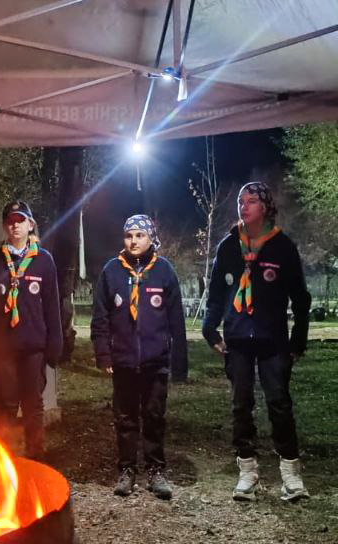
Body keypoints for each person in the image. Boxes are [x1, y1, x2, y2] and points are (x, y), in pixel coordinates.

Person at [203, 181, 311, 502]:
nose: (243, 206)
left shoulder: (283, 247)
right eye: (240, 201)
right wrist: (211, 331)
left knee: (279, 403)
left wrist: (298, 340)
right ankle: (247, 472)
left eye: (251, 201)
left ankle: (291, 474)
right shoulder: (227, 246)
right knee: (240, 405)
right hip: (237, 339)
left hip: (273, 342)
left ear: (264, 207)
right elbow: (216, 295)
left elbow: (300, 298)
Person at [91, 215, 187, 500]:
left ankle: (156, 470)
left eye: (139, 236)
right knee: (125, 418)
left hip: (155, 362)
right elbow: (100, 318)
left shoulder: (164, 271)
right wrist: (103, 354)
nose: (133, 241)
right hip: (123, 362)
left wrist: (178, 362)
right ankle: (127, 469)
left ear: (150, 238)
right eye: (128, 236)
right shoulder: (111, 271)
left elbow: (176, 321)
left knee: (154, 416)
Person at [0, 201, 62, 460]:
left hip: (33, 347)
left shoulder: (43, 260)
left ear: (30, 224)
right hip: (4, 348)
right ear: (5, 226)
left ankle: (35, 456)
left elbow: (52, 306)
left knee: (33, 405)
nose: (15, 225)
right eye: (10, 221)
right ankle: (5, 461)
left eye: (20, 220)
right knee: (5, 404)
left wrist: (54, 345)